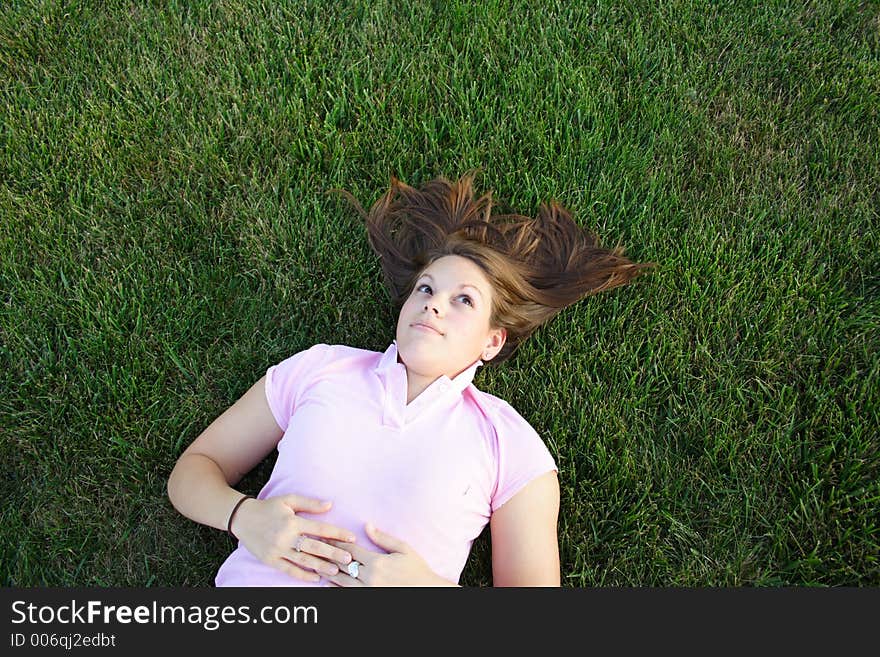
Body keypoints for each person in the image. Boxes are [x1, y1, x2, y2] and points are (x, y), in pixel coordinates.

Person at [167, 171, 655, 586]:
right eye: (426, 287)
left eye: (464, 300)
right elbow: (195, 469)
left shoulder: (509, 445)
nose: (434, 302)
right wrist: (243, 517)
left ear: (492, 342)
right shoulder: (322, 368)